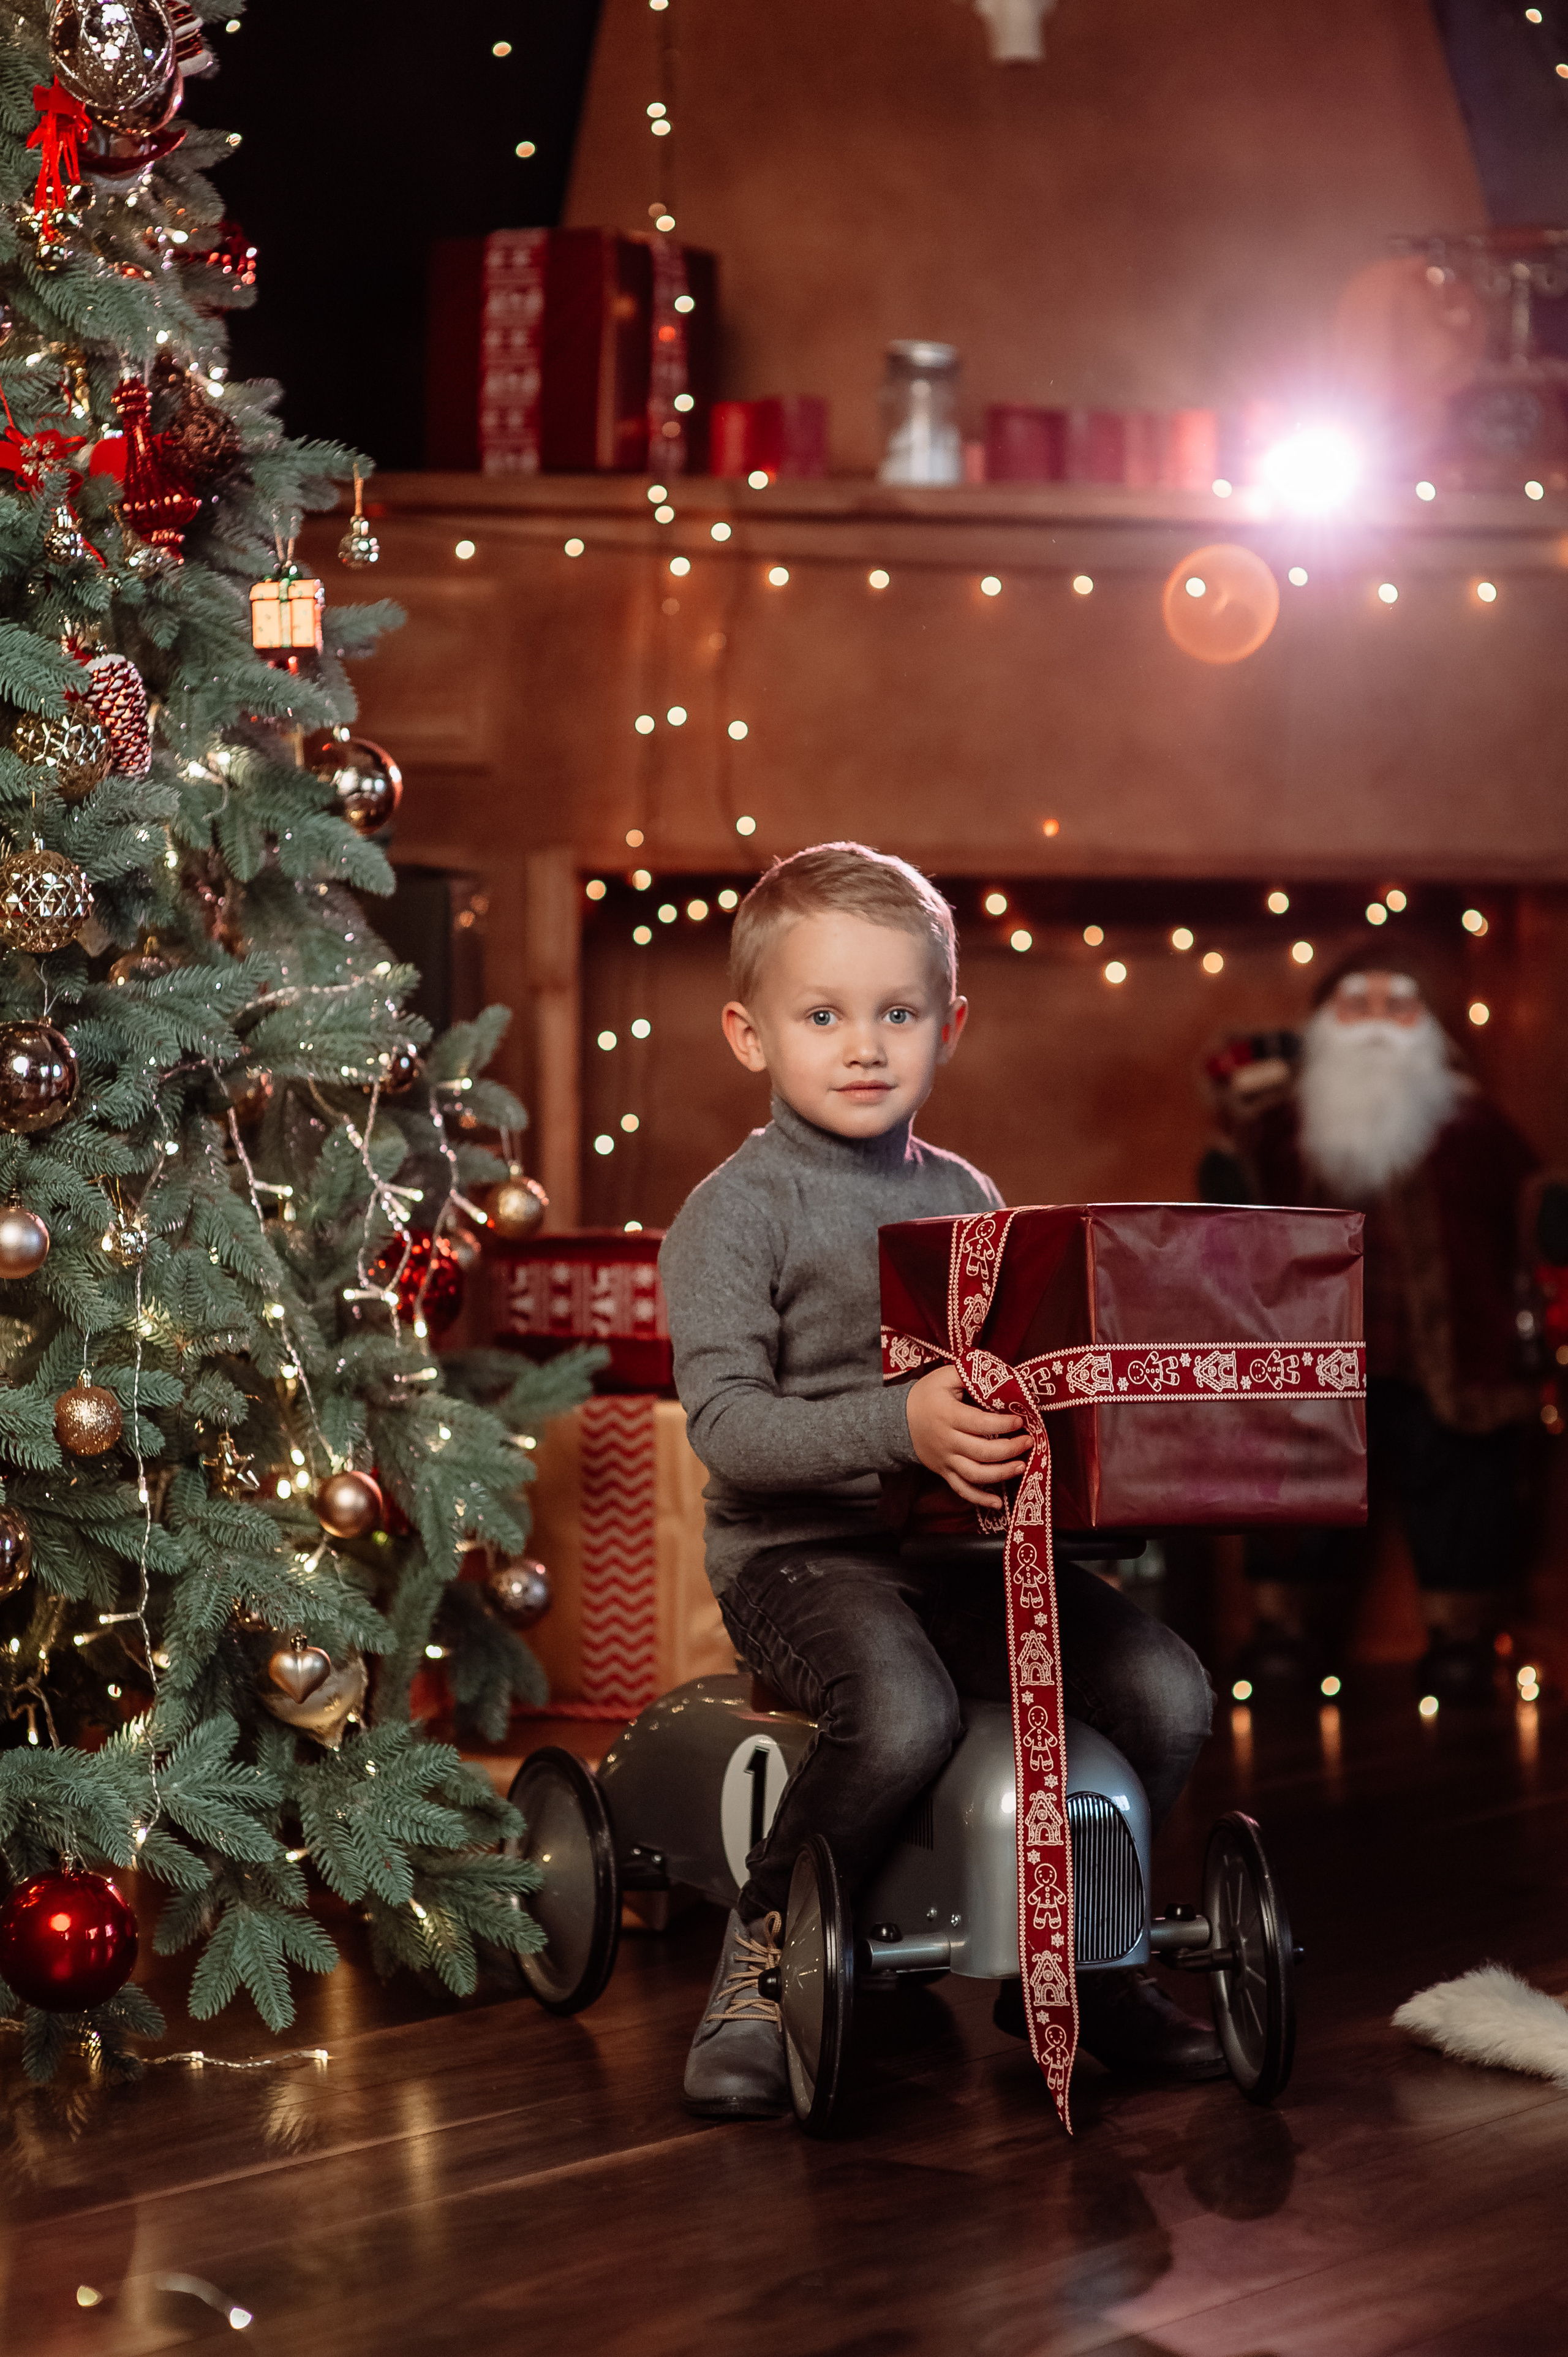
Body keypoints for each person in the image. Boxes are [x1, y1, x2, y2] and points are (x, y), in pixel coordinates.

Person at [660, 842, 1218, 2121]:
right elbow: (731, 1431)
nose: (863, 1046)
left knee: (1164, 1689)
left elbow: (1002, 1397)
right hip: (798, 1564)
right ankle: (758, 1962)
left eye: (895, 1014)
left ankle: (1080, 1953)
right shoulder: (733, 1214)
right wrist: (899, 1425)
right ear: (749, 1036)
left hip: (956, 1554)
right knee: (902, 1712)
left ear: (946, 1026)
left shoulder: (967, 1197)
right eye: (822, 1016)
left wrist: (1072, 1482)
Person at [1231, 955, 1543, 1701]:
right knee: (1297, 1488)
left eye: (1396, 1006)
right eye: (1356, 1004)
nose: (1374, 1022)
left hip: (1449, 1354)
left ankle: (1462, 1637)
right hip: (1311, 1359)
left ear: (1429, 1028)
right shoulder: (1281, 1126)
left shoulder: (1474, 1124)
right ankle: (1285, 1628)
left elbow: (1531, 1209)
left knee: (1464, 1486)